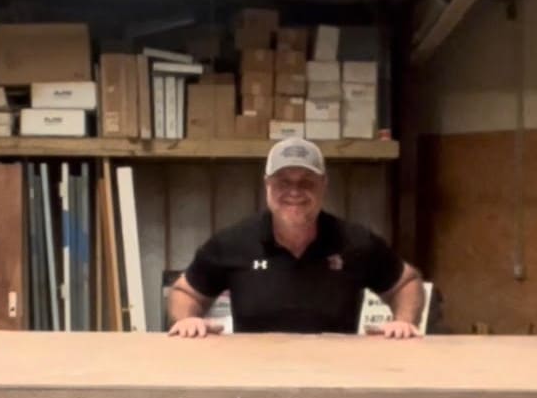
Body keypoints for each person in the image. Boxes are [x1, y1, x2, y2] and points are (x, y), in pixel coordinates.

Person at [167, 138, 425, 339]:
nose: (294, 192)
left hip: (337, 378)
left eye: (306, 182)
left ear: (324, 184)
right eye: (283, 182)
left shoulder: (356, 242)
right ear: (267, 184)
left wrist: (403, 322)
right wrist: (187, 319)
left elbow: (406, 282)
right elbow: (185, 292)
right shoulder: (233, 242)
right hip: (253, 378)